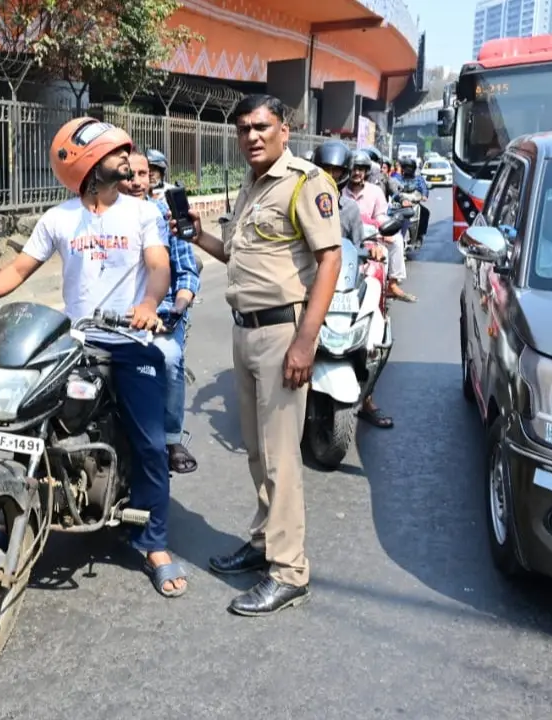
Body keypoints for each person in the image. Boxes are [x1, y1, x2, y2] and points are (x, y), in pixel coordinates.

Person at [0, 118, 188, 598]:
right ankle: (13, 516)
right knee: (33, 426)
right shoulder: (59, 218)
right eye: (117, 152)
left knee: (149, 444)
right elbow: (21, 266)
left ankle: (155, 543)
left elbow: (158, 265)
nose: (128, 159)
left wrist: (148, 304)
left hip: (129, 340)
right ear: (89, 164)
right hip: (77, 340)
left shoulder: (142, 212)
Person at [175, 94, 342, 616]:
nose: (251, 136)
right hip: (244, 330)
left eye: (261, 126)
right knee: (256, 450)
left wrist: (304, 342)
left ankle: (289, 571)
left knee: (281, 457)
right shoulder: (250, 185)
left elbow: (330, 260)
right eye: (243, 128)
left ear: (284, 130)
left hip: (282, 334)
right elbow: (235, 252)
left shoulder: (305, 182)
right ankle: (265, 540)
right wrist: (198, 235)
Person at [119, 149, 203, 474]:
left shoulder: (166, 217)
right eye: (129, 174)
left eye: (143, 174)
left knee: (168, 359)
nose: (136, 182)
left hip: (161, 315)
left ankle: (170, 437)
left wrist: (176, 310)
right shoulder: (101, 218)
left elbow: (187, 272)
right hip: (111, 319)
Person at [312, 140, 394, 429]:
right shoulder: (304, 201)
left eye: (336, 171)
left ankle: (367, 397)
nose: (331, 176)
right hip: (309, 277)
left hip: (342, 280)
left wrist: (372, 249)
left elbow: (358, 244)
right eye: (326, 170)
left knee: (376, 332)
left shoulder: (348, 208)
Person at [347, 150, 416, 303]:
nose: (357, 173)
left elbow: (380, 215)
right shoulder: (340, 190)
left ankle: (392, 284)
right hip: (345, 235)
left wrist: (385, 230)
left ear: (366, 171)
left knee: (397, 240)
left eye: (360, 169)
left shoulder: (376, 190)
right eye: (353, 169)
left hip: (370, 234)